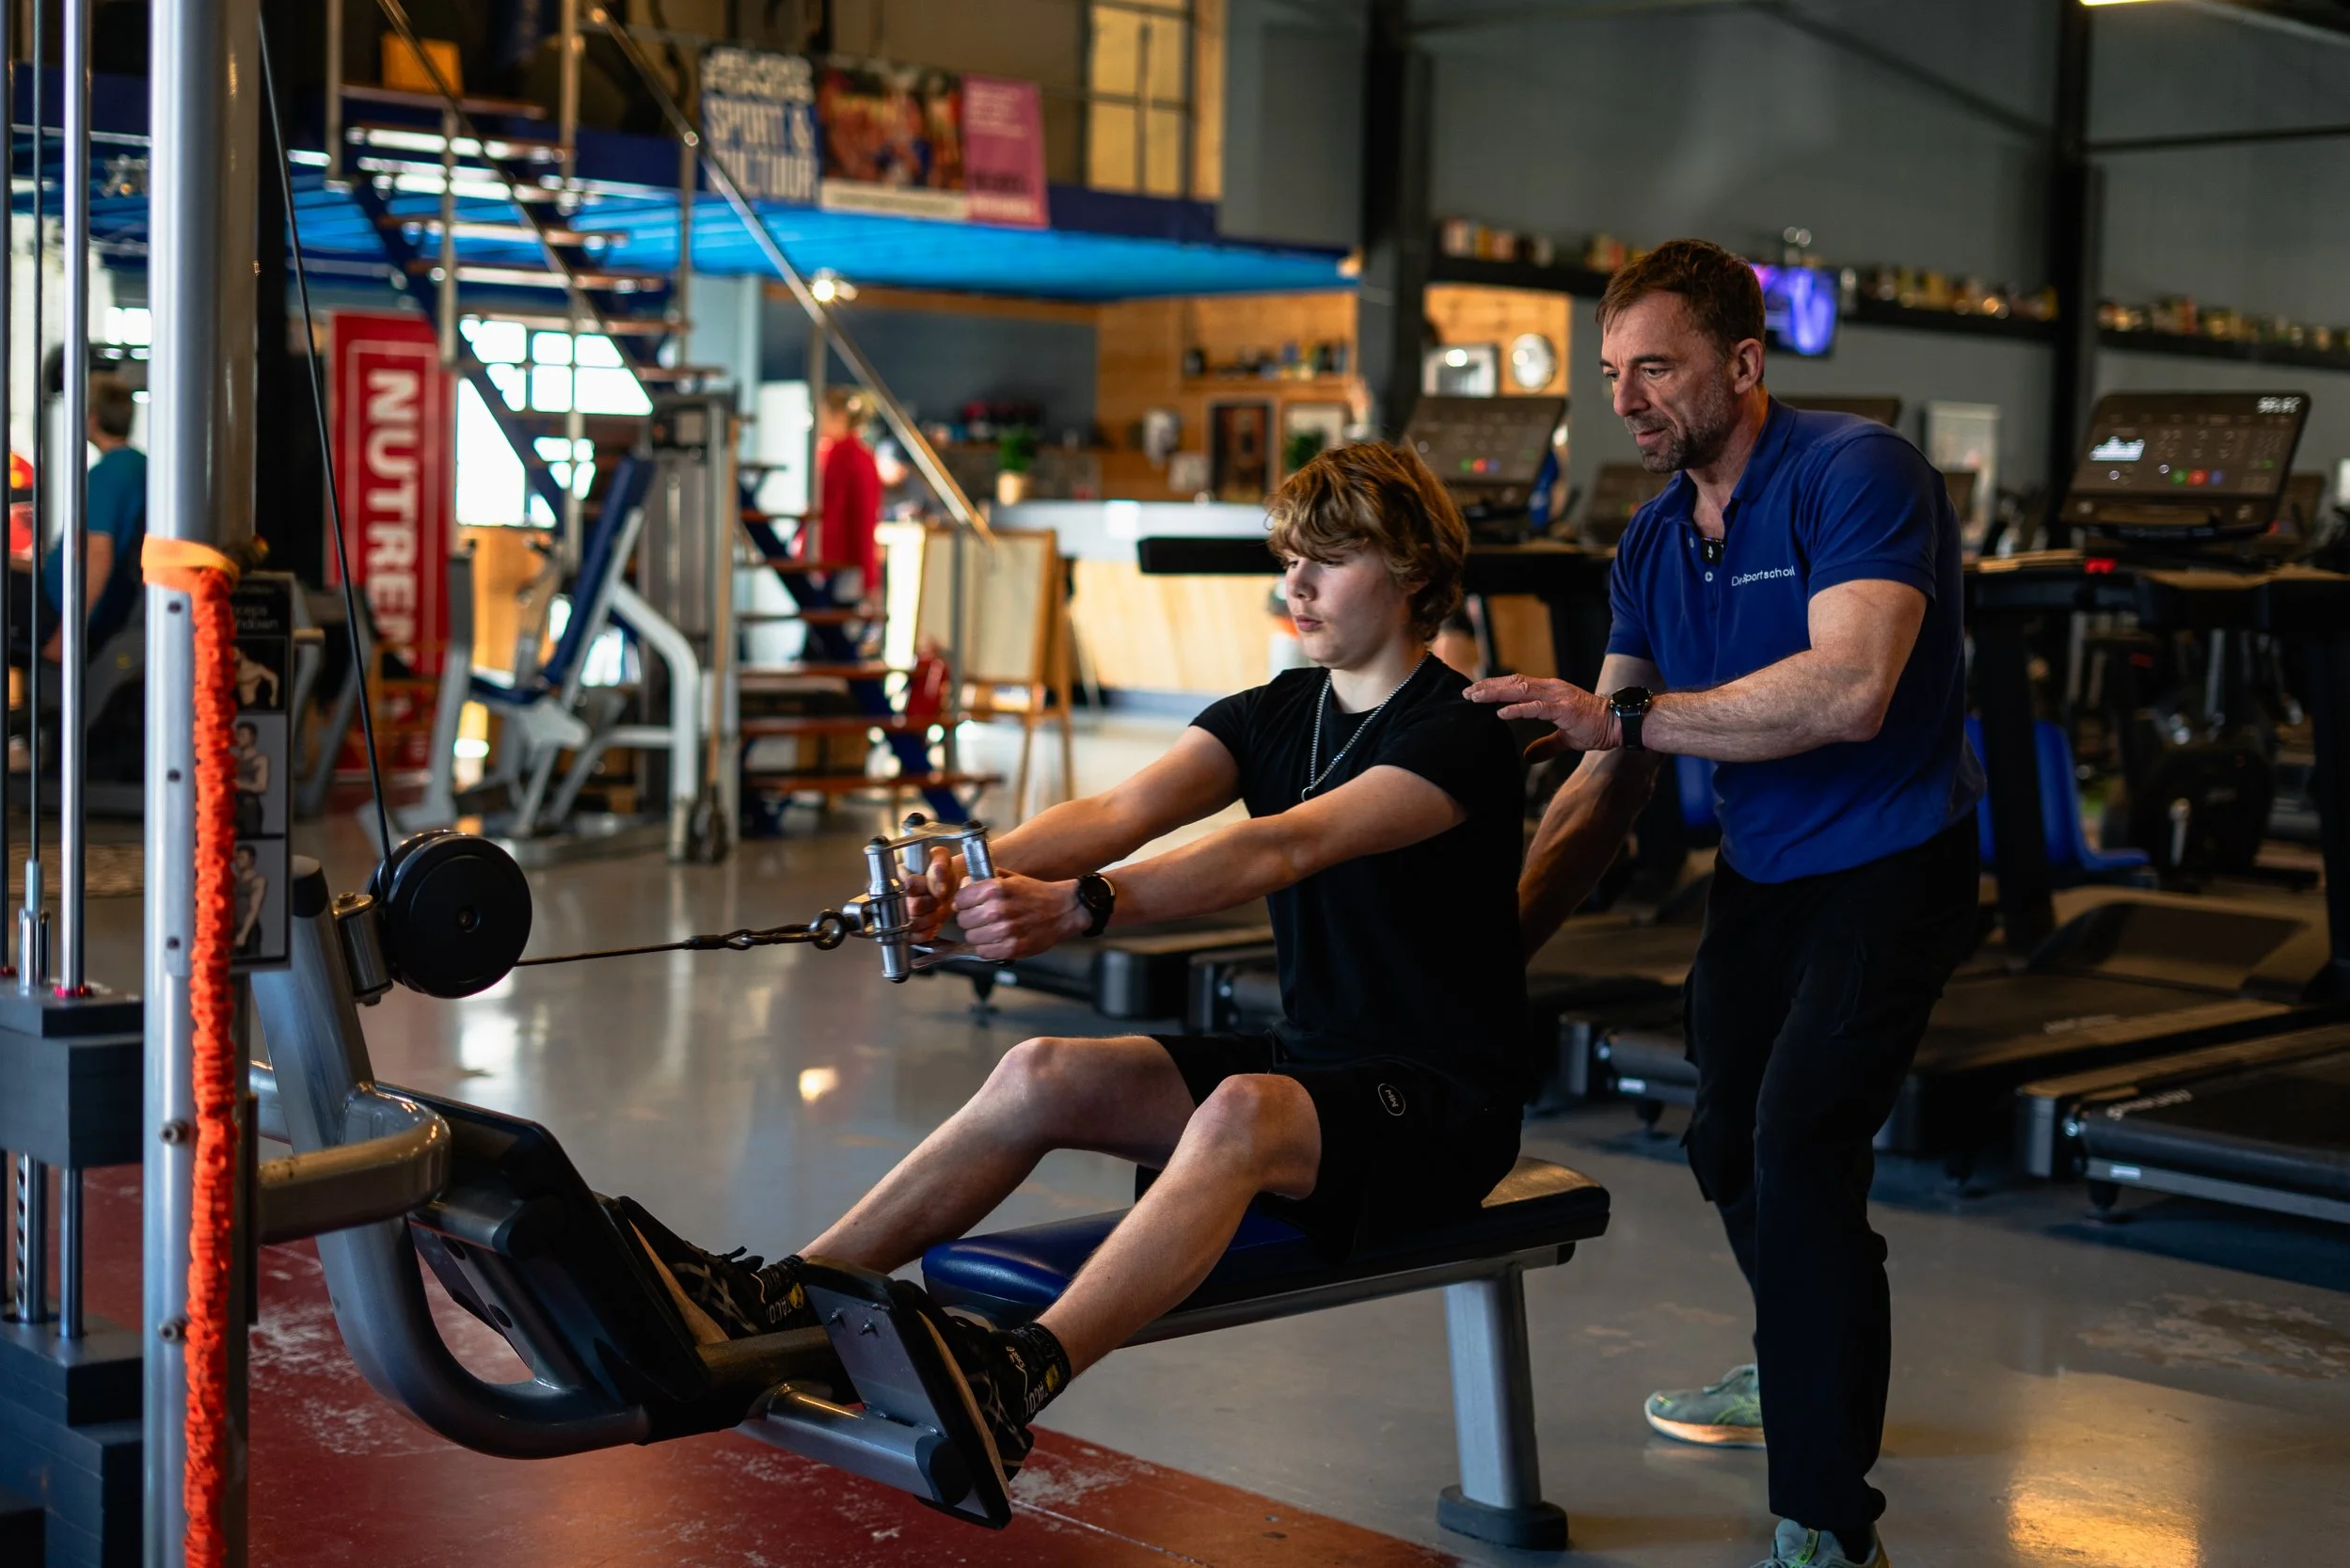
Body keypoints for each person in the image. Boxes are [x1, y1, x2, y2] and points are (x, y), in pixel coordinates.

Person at [622, 441, 1529, 1488]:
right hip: (1316, 1064)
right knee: (1039, 1071)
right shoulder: (1284, 708)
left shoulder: (1461, 731)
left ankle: (1018, 1374)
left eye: (1328, 559)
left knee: (1240, 1108)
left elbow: (1281, 846)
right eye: (1289, 558)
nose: (1296, 586)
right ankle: (784, 1293)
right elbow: (1114, 811)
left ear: (1412, 572)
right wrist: (950, 874)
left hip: (1438, 1107)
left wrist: (1089, 901)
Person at [1466, 239, 1982, 1568]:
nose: (1628, 398)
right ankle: (1800, 1353)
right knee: (1726, 1142)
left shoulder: (1854, 473)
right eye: (1612, 374)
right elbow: (1608, 773)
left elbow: (1852, 687)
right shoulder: (1651, 537)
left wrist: (1620, 712)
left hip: (1893, 861)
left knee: (1803, 1134)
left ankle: (1824, 1516)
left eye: (1657, 367)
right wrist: (1484, 956)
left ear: (1743, 364)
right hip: (1764, 876)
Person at [7, 373, 147, 666]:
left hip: (56, 611)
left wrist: (66, 638)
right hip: (57, 595)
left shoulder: (107, 474)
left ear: (92, 418)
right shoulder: (137, 465)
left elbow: (98, 556)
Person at [813, 387, 883, 608]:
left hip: (844, 566)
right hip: (826, 562)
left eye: (822, 414)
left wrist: (869, 577)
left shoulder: (856, 459)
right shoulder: (830, 454)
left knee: (834, 634)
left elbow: (864, 518)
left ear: (840, 416)